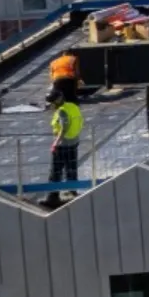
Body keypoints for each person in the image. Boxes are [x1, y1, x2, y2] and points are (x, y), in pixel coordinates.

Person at [45, 71, 84, 207]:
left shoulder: (61, 111)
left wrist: (55, 143)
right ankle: (72, 192)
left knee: (55, 171)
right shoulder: (73, 106)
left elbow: (64, 126)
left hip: (63, 144)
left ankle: (52, 197)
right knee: (71, 169)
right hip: (74, 141)